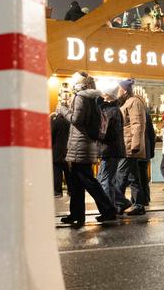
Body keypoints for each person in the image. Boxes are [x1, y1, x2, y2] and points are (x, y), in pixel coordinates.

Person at [56, 72, 118, 227]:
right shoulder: (94, 98)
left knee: (88, 181)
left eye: (75, 83)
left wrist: (62, 110)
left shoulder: (81, 97)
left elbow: (76, 120)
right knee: (77, 181)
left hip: (80, 144)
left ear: (80, 85)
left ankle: (108, 209)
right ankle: (76, 214)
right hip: (86, 143)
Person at [115, 78, 148, 216]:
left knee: (120, 176)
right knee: (133, 177)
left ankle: (119, 203)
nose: (117, 92)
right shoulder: (127, 102)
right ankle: (139, 205)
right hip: (127, 144)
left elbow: (137, 124)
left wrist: (135, 145)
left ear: (123, 90)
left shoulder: (133, 102)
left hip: (129, 146)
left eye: (118, 89)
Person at [96, 85, 125, 204]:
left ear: (108, 95)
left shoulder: (111, 111)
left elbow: (107, 133)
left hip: (109, 150)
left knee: (105, 180)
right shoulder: (113, 109)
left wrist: (96, 135)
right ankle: (121, 202)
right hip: (111, 150)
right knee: (106, 179)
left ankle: (109, 209)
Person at [51, 113, 71, 198]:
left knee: (57, 172)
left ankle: (58, 192)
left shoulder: (55, 123)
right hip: (67, 150)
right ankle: (71, 190)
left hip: (56, 151)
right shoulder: (68, 122)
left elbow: (51, 136)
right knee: (68, 172)